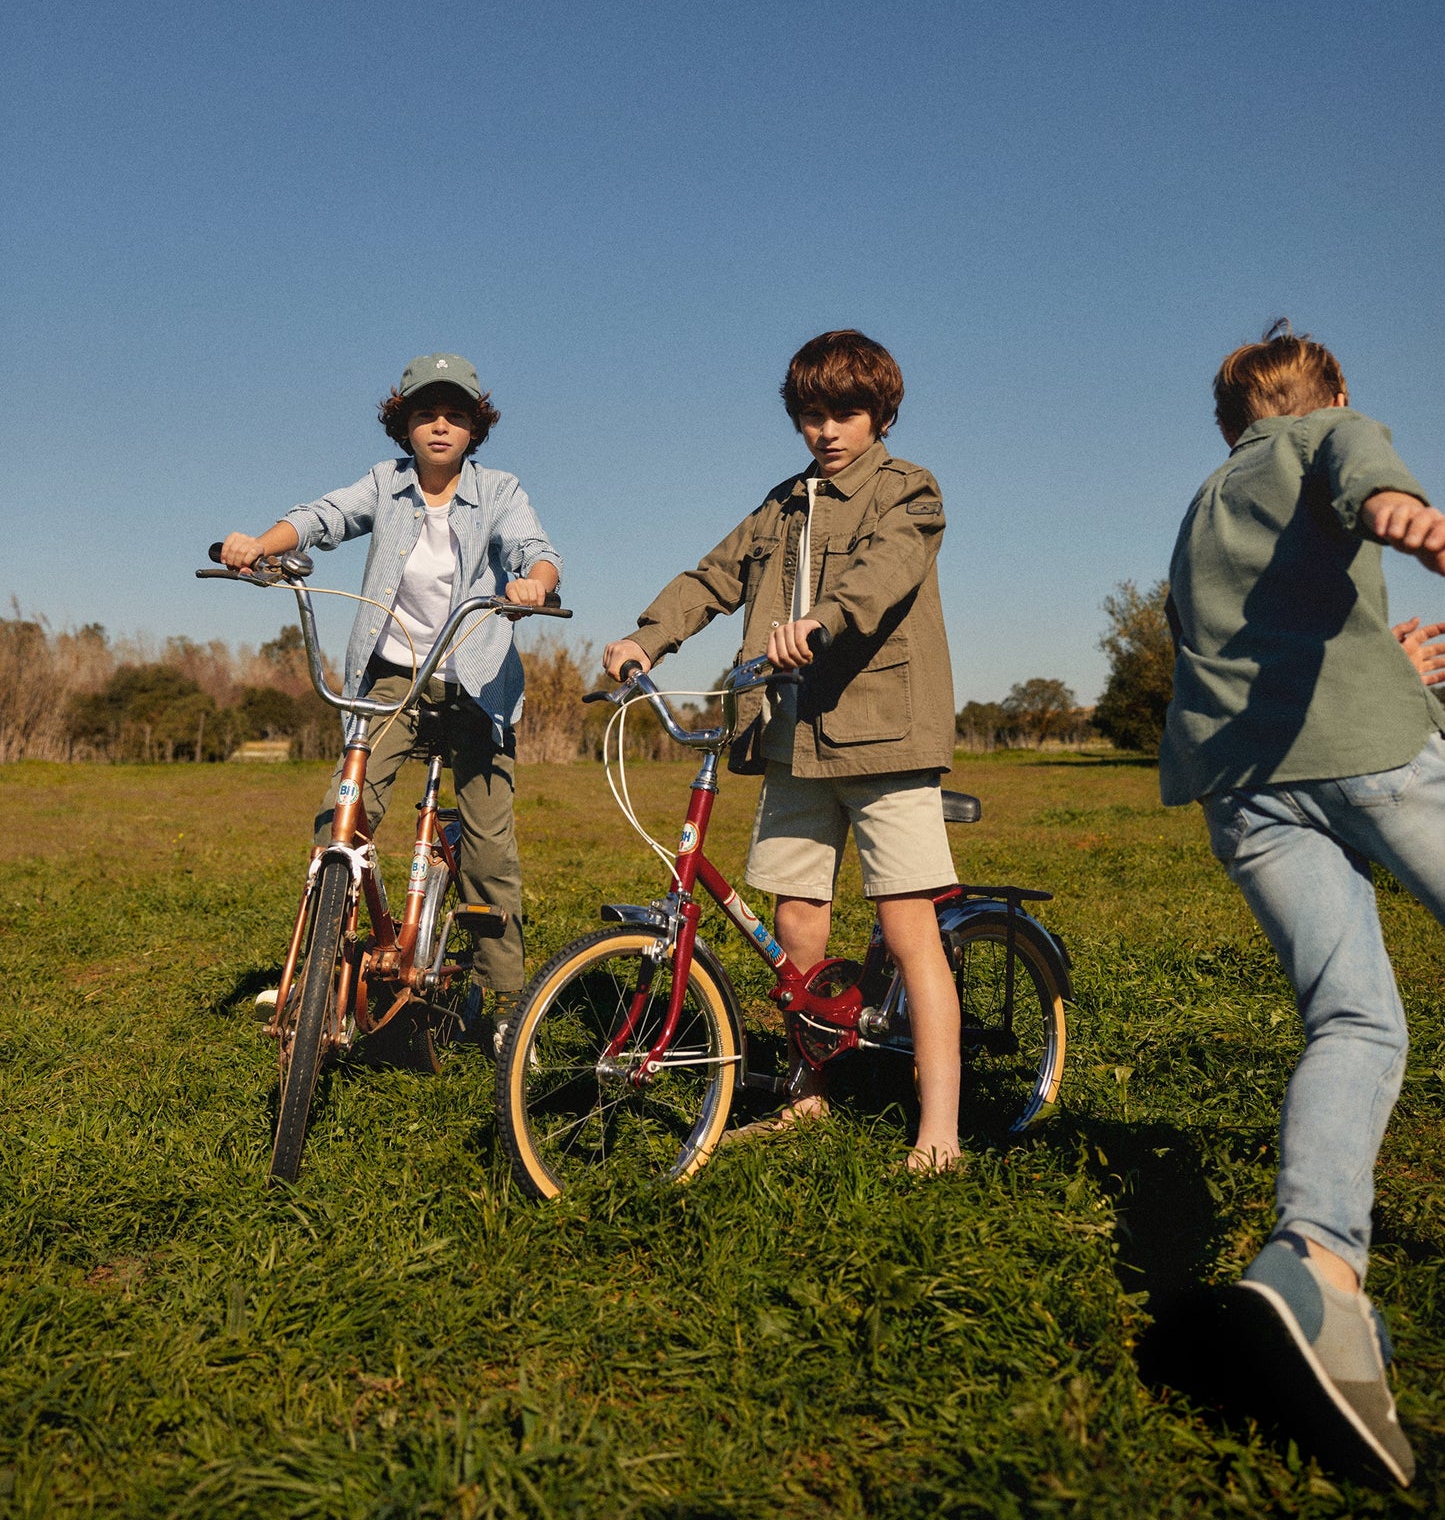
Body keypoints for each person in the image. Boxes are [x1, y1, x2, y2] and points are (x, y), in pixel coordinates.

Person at [1161, 324, 1445, 1486]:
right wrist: (1404, 513)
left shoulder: (1203, 501)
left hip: (1241, 792)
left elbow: (1254, 642)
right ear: (1327, 391)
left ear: (1228, 419)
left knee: (1355, 1020)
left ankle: (1315, 1265)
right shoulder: (1331, 428)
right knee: (1359, 1019)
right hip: (1370, 760)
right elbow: (1364, 480)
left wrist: (1387, 660)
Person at [601, 329, 963, 1171]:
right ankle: (809, 1093)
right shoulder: (783, 504)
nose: (827, 430)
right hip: (790, 736)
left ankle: (938, 1127)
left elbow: (881, 575)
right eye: (811, 414)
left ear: (880, 413)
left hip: (883, 736)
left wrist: (819, 622)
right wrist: (646, 639)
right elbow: (712, 577)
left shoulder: (910, 490)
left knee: (908, 928)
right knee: (797, 917)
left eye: (845, 412)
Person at [220, 353, 563, 1043]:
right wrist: (260, 543)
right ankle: (320, 969)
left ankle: (504, 1006)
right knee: (343, 816)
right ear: (403, 424)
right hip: (394, 675)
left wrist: (535, 583)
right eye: (426, 413)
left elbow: (531, 547)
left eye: (456, 414)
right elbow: (324, 517)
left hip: (477, 680)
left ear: (475, 427)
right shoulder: (386, 483)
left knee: (490, 847)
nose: (440, 426)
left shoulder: (499, 489)